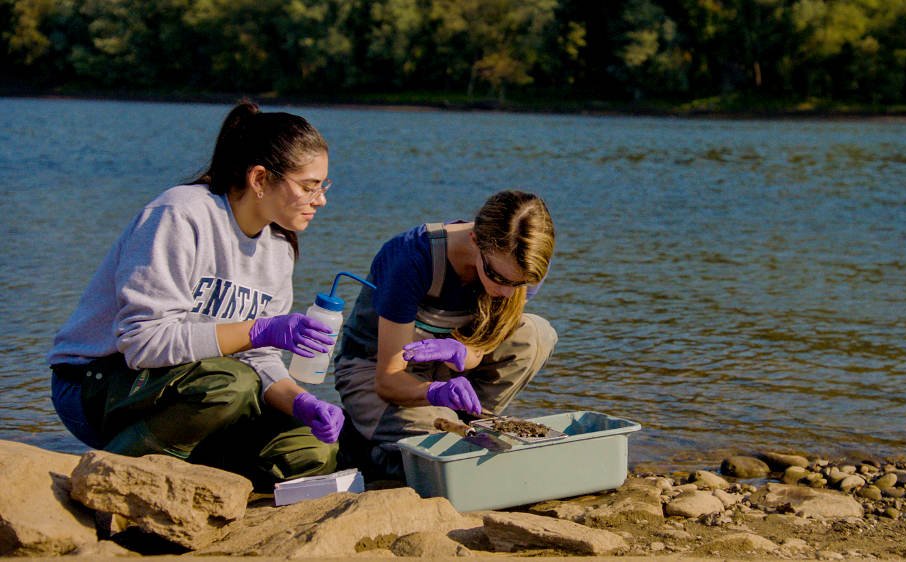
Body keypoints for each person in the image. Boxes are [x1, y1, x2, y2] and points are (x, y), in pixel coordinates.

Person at [47, 100, 346, 489]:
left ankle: (196, 478)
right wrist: (257, 329)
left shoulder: (279, 247)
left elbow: (258, 357)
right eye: (308, 187)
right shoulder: (180, 214)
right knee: (230, 384)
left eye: (323, 186)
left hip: (194, 387)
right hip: (94, 382)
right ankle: (108, 478)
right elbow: (143, 343)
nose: (320, 199)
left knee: (314, 449)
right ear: (259, 179)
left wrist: (299, 401)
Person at [334, 190, 557, 478]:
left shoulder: (524, 264)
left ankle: (470, 421)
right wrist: (435, 392)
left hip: (443, 373)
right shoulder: (411, 260)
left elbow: (484, 342)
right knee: (440, 455)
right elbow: (388, 381)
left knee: (536, 334)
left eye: (520, 284)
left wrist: (463, 353)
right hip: (376, 370)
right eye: (498, 278)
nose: (508, 292)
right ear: (475, 240)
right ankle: (365, 446)